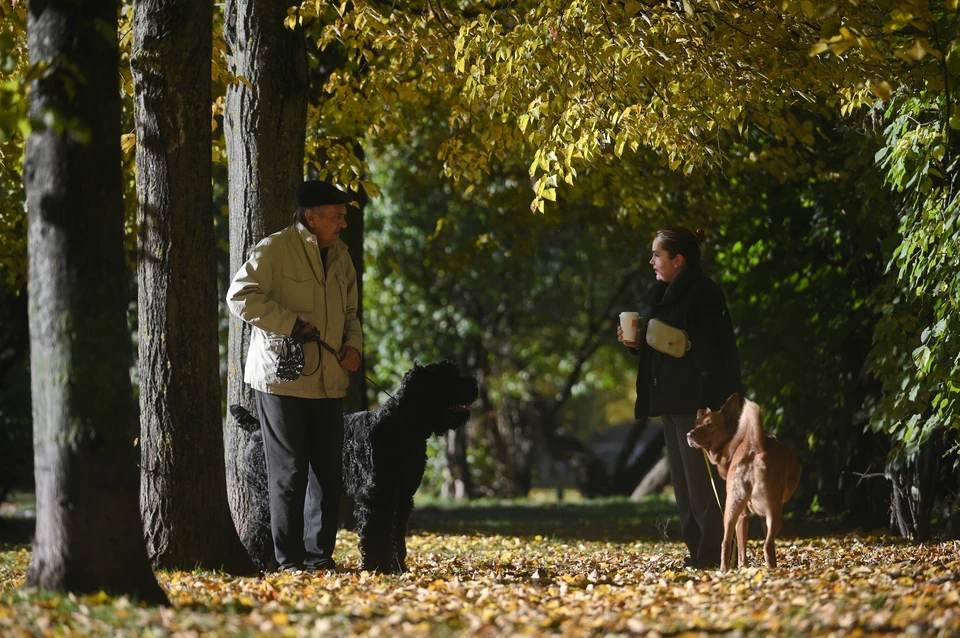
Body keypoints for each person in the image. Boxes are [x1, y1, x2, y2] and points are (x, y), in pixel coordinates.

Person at [227, 180, 363, 573]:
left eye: (343, 214)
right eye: (336, 215)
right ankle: (290, 562)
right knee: (289, 473)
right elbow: (239, 296)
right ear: (311, 216)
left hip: (329, 380)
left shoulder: (342, 255)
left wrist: (353, 346)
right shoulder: (274, 249)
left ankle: (319, 560)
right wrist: (289, 324)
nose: (343, 222)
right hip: (280, 381)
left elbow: (351, 313)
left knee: (328, 476)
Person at [618, 226, 741, 569]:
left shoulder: (703, 294)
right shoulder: (664, 294)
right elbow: (671, 345)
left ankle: (714, 554)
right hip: (670, 399)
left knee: (701, 485)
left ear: (679, 260)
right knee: (685, 486)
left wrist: (708, 404)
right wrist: (639, 343)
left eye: (658, 255)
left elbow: (710, 352)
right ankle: (697, 551)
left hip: (695, 403)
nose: (652, 261)